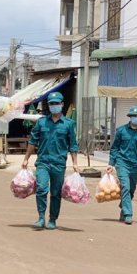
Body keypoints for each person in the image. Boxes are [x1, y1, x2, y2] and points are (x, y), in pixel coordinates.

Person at [21, 91, 79, 230]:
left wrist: (75, 163)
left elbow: (73, 145)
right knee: (41, 188)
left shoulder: (68, 124)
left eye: (56, 103)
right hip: (43, 162)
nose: (54, 106)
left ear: (62, 104)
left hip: (59, 163)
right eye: (52, 104)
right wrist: (26, 159)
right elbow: (33, 141)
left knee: (56, 193)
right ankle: (41, 217)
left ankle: (53, 219)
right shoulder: (42, 122)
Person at [107, 105, 137, 225]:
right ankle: (128, 214)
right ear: (130, 117)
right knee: (126, 187)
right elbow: (114, 148)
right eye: (134, 115)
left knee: (131, 190)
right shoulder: (121, 130)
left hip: (136, 165)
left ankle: (123, 209)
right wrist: (111, 163)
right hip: (122, 163)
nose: (136, 118)